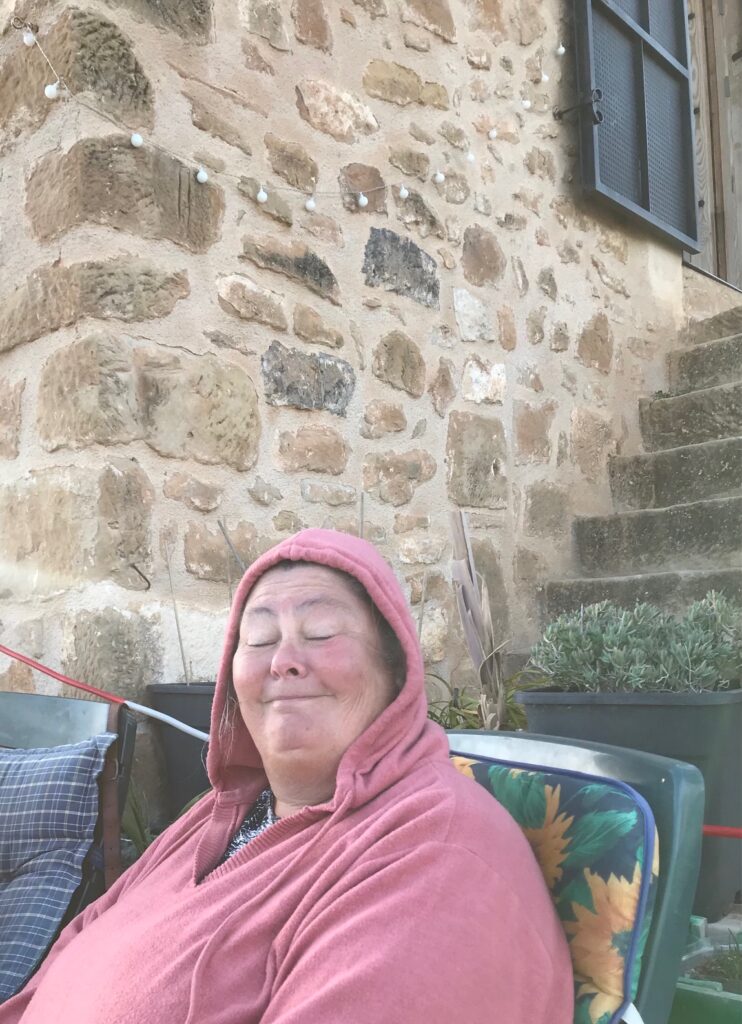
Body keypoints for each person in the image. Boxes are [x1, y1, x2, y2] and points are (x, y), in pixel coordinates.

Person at [0, 528, 573, 1023]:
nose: (283, 661)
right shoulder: (220, 816)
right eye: (260, 640)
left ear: (396, 670)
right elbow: (74, 950)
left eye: (321, 633)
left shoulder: (436, 857)